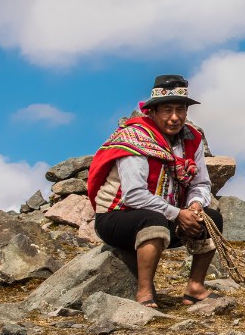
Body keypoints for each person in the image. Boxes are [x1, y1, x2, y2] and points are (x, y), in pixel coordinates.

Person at [86, 74, 224, 308]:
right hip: (117, 217)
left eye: (180, 110)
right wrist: (178, 214)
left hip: (165, 213)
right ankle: (144, 292)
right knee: (154, 220)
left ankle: (194, 288)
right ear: (152, 112)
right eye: (167, 110)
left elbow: (200, 183)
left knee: (211, 218)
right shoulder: (135, 138)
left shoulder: (192, 139)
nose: (174, 117)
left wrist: (194, 206)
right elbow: (134, 194)